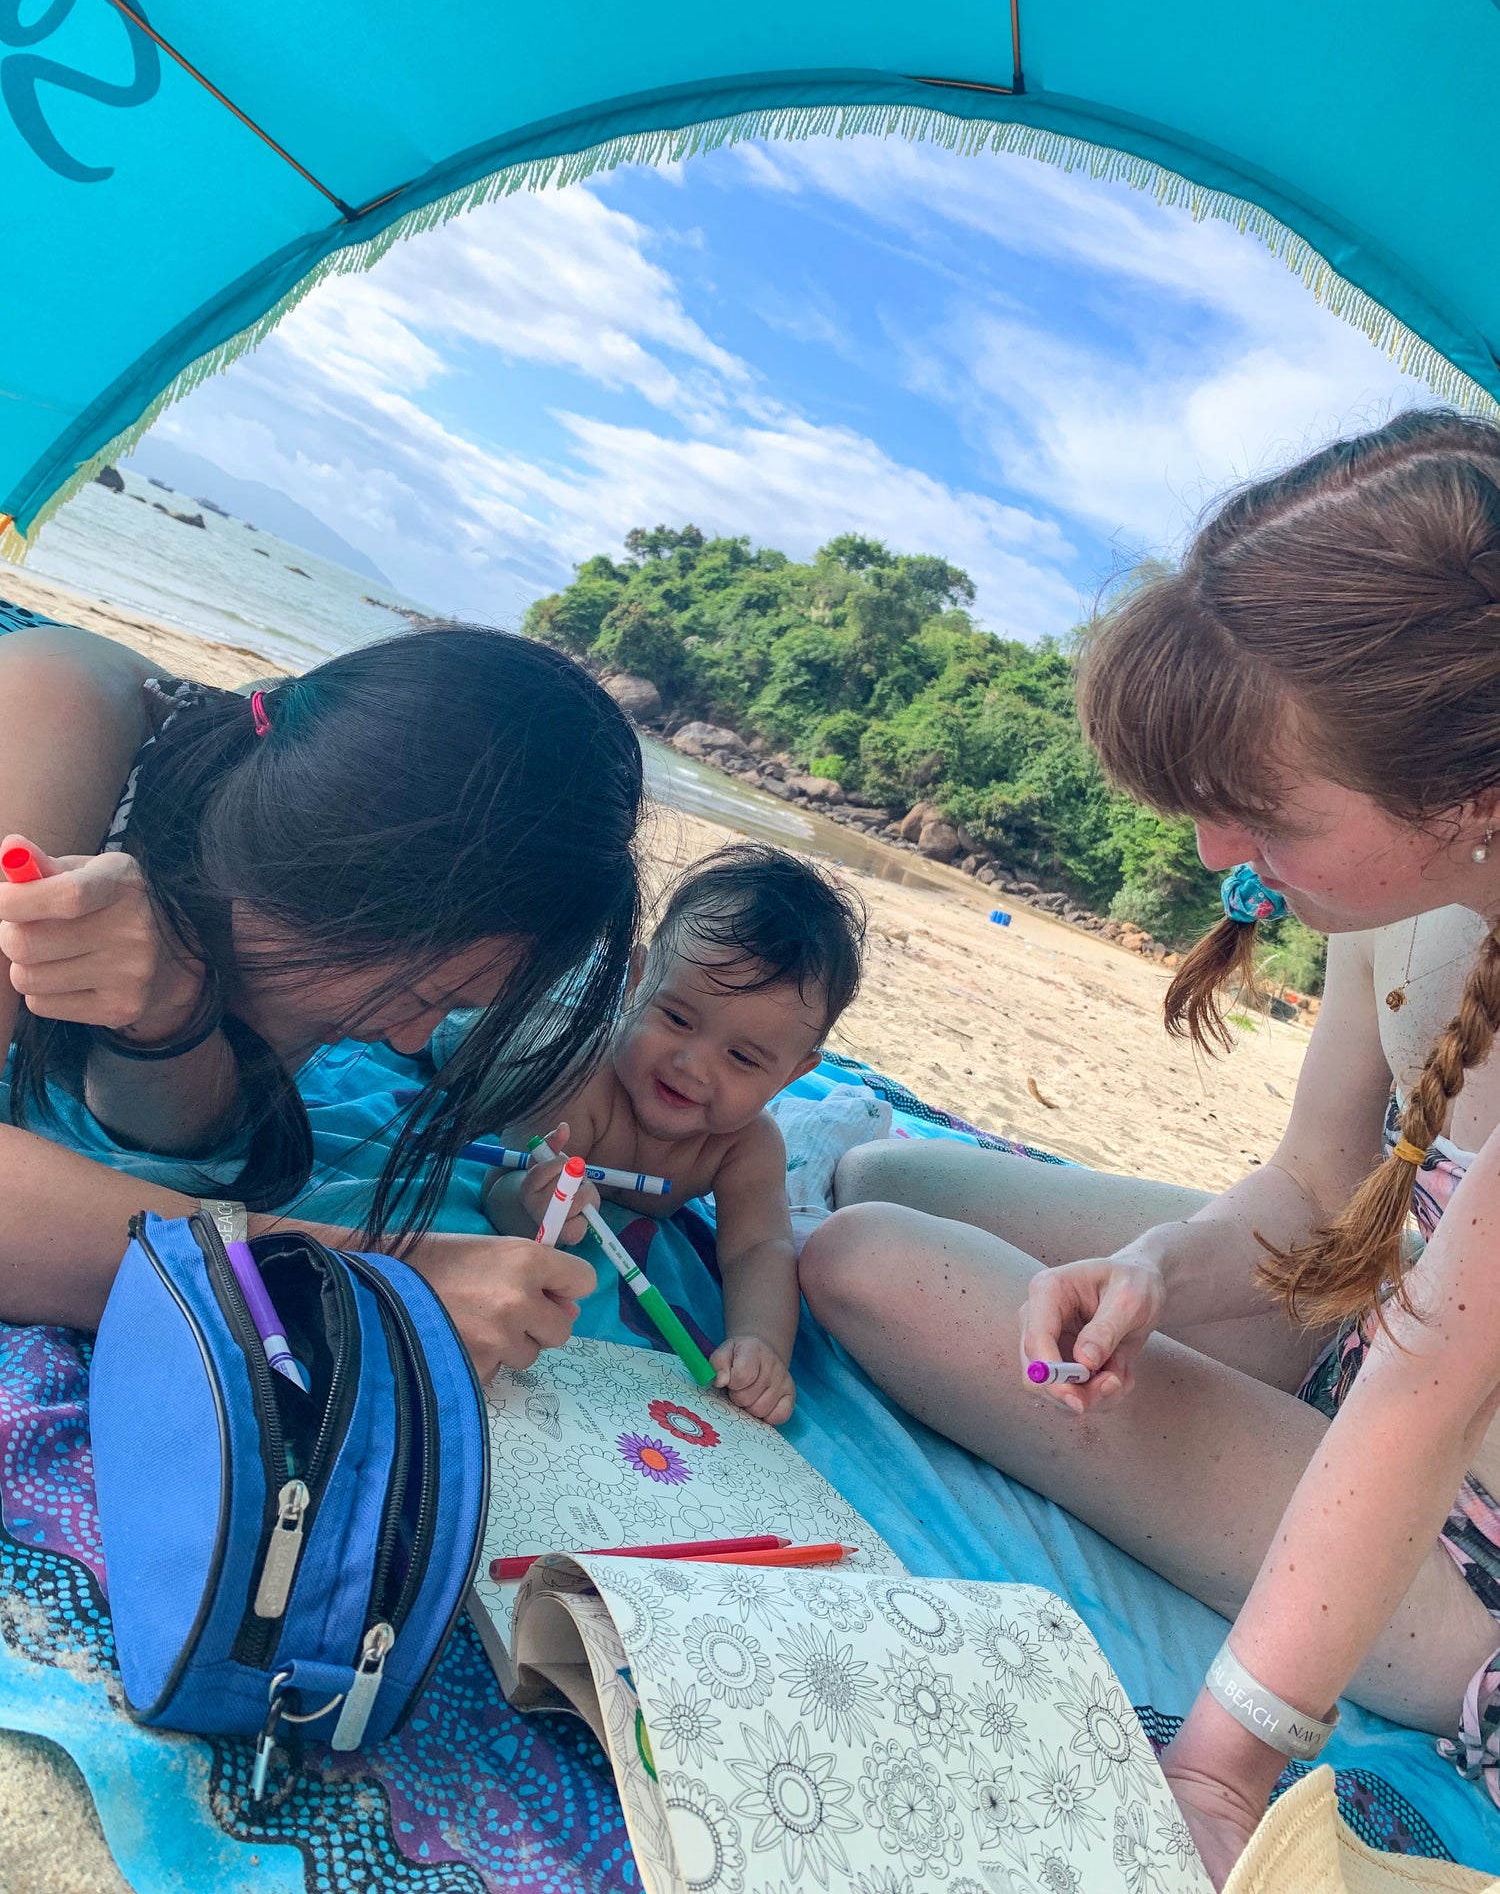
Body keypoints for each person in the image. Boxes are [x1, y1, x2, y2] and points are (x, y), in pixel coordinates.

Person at [799, 409, 1500, 1883]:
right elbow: (1318, 1189)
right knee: (885, 1176)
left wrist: (1223, 1763)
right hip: (1365, 1335)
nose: (1206, 854)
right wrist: (1158, 1273)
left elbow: (1428, 1399)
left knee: (867, 1265)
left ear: (1468, 796)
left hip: (1462, 1541)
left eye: (1260, 815)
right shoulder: (1425, 904)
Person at [0, 611, 644, 1380]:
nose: (409, 1040)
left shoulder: (281, 921)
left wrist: (168, 1019)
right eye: (425, 992)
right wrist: (357, 1280)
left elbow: (192, 1135)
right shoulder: (52, 709)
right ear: (339, 889)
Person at [485, 843, 864, 1424]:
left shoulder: (748, 1144)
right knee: (484, 1029)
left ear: (792, 1076)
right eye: (678, 1019)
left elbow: (760, 1247)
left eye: (742, 1057)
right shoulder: (580, 1082)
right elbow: (502, 1184)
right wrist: (533, 1202)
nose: (693, 1065)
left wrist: (760, 1344)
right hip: (517, 1045)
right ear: (635, 981)